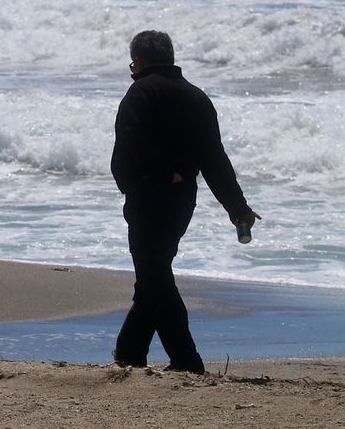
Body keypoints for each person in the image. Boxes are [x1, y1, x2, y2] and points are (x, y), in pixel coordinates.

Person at [110, 30, 259, 373]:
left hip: (149, 197)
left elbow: (131, 145)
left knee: (155, 278)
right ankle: (129, 355)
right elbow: (215, 160)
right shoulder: (197, 97)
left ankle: (187, 361)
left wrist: (157, 175)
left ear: (141, 61)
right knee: (152, 276)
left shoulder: (141, 92)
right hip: (181, 203)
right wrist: (238, 208)